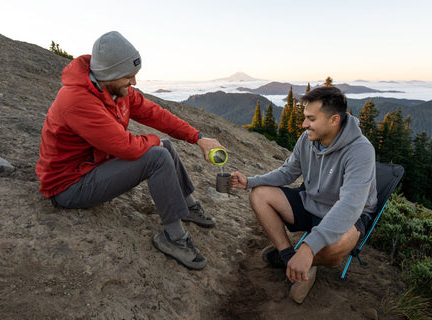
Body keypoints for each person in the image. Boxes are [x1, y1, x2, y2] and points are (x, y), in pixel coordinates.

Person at [35, 31, 225, 270]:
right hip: (69, 186)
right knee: (157, 155)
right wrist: (155, 141)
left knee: (164, 146)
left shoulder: (113, 90)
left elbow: (155, 114)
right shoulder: (77, 100)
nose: (134, 82)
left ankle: (187, 206)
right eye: (129, 76)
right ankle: (174, 238)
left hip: (94, 165)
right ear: (110, 74)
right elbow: (126, 147)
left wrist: (198, 138)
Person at [231, 86, 377, 303]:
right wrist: (251, 181)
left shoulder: (360, 150)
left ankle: (309, 262)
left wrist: (309, 248)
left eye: (311, 118)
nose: (304, 124)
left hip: (347, 216)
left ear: (334, 120)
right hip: (310, 202)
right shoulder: (307, 139)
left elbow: (349, 206)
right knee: (259, 194)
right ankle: (288, 257)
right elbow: (288, 172)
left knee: (337, 246)